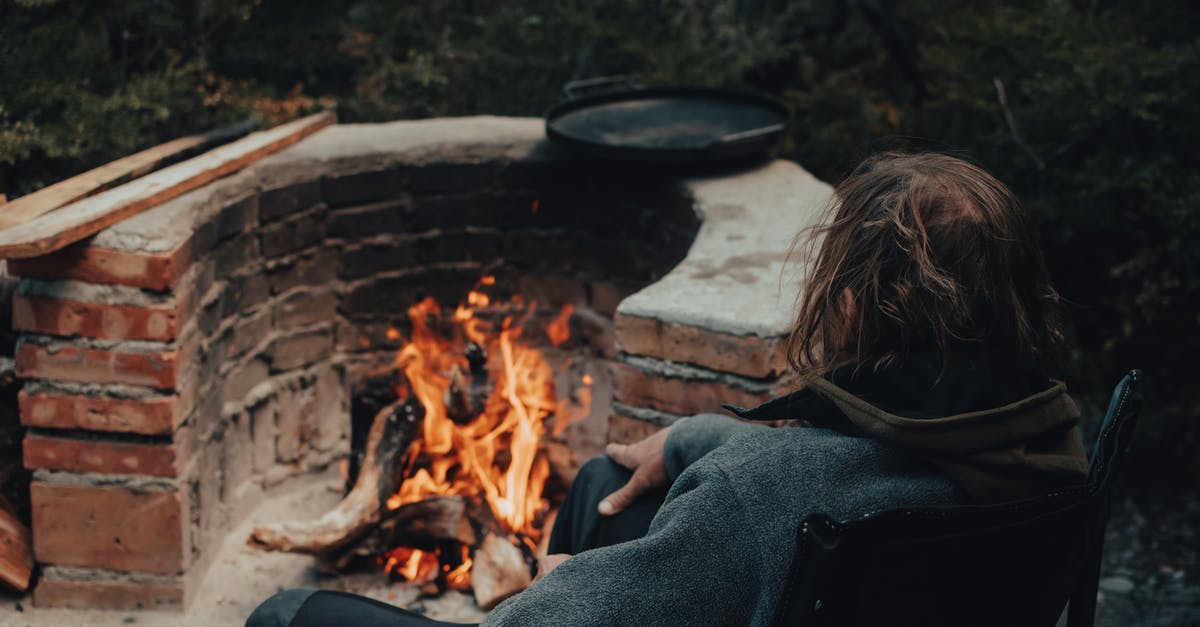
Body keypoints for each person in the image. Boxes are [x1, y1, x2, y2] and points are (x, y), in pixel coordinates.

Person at [246, 152, 1087, 627]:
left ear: (857, 303)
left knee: (287, 616)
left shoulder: (763, 499)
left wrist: (556, 589)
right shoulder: (1051, 445)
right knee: (605, 485)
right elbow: (869, 463)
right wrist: (693, 439)